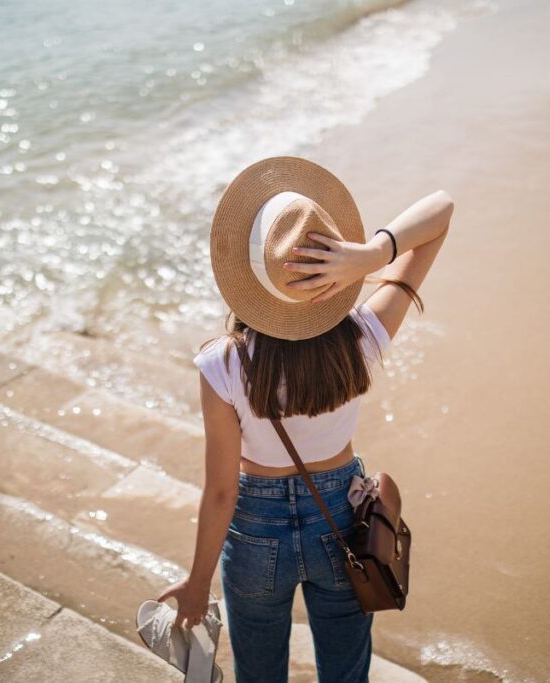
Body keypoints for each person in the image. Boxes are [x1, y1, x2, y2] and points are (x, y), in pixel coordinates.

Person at [156, 156, 454, 682]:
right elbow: (441, 211)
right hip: (340, 519)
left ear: (249, 277)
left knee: (259, 673)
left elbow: (222, 491)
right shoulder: (363, 337)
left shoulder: (222, 363)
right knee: (345, 672)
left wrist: (197, 583)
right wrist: (369, 256)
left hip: (253, 533)